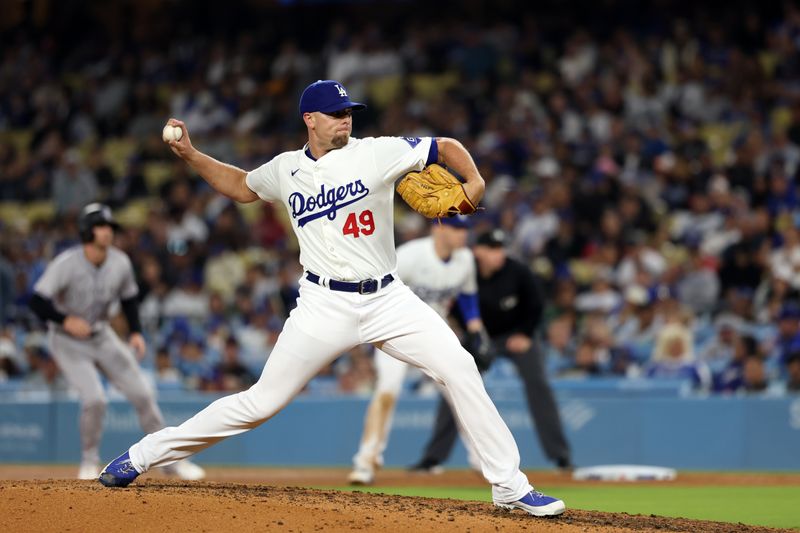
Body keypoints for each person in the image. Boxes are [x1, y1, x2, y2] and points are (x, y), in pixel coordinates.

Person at [98, 80, 565, 517]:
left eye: (349, 112)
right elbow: (241, 186)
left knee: (459, 367)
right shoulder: (286, 169)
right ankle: (142, 455)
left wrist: (474, 180)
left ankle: (509, 486)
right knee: (259, 404)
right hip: (323, 304)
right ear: (310, 119)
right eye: (336, 113)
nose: (346, 119)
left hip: (387, 298)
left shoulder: (378, 153)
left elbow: (444, 147)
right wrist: (191, 154)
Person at [29, 203, 206, 481]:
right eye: (102, 226)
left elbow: (128, 299)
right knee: (95, 399)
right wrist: (64, 321)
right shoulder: (67, 263)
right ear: (87, 231)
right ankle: (89, 461)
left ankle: (171, 462)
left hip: (101, 335)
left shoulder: (120, 261)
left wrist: (135, 331)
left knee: (144, 394)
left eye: (110, 227)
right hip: (67, 340)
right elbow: (37, 300)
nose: (108, 232)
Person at [410, 229, 573, 473]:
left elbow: (536, 305)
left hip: (515, 336)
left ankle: (560, 456)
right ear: (478, 251)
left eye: (501, 248)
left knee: (538, 382)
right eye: (493, 249)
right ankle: (433, 457)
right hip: (479, 335)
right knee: (455, 381)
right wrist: (460, 330)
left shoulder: (517, 271)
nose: (499, 254)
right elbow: (455, 305)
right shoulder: (466, 269)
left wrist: (526, 334)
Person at [348, 215, 488, 485]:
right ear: (439, 228)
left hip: (433, 333)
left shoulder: (466, 260)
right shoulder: (410, 256)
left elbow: (468, 298)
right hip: (393, 330)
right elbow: (376, 292)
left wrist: (476, 331)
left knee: (461, 390)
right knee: (387, 390)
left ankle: (482, 462)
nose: (463, 234)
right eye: (457, 228)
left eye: (465, 229)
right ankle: (366, 462)